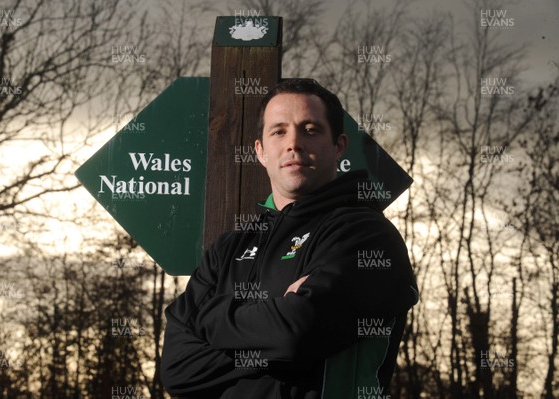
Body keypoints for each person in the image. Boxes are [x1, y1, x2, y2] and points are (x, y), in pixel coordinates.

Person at [161, 79, 419, 398]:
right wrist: (275, 316)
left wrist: (206, 316)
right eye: (279, 131)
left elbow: (294, 335)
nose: (293, 143)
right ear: (260, 151)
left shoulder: (366, 236)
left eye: (310, 129)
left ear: (339, 145)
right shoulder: (228, 249)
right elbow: (177, 370)